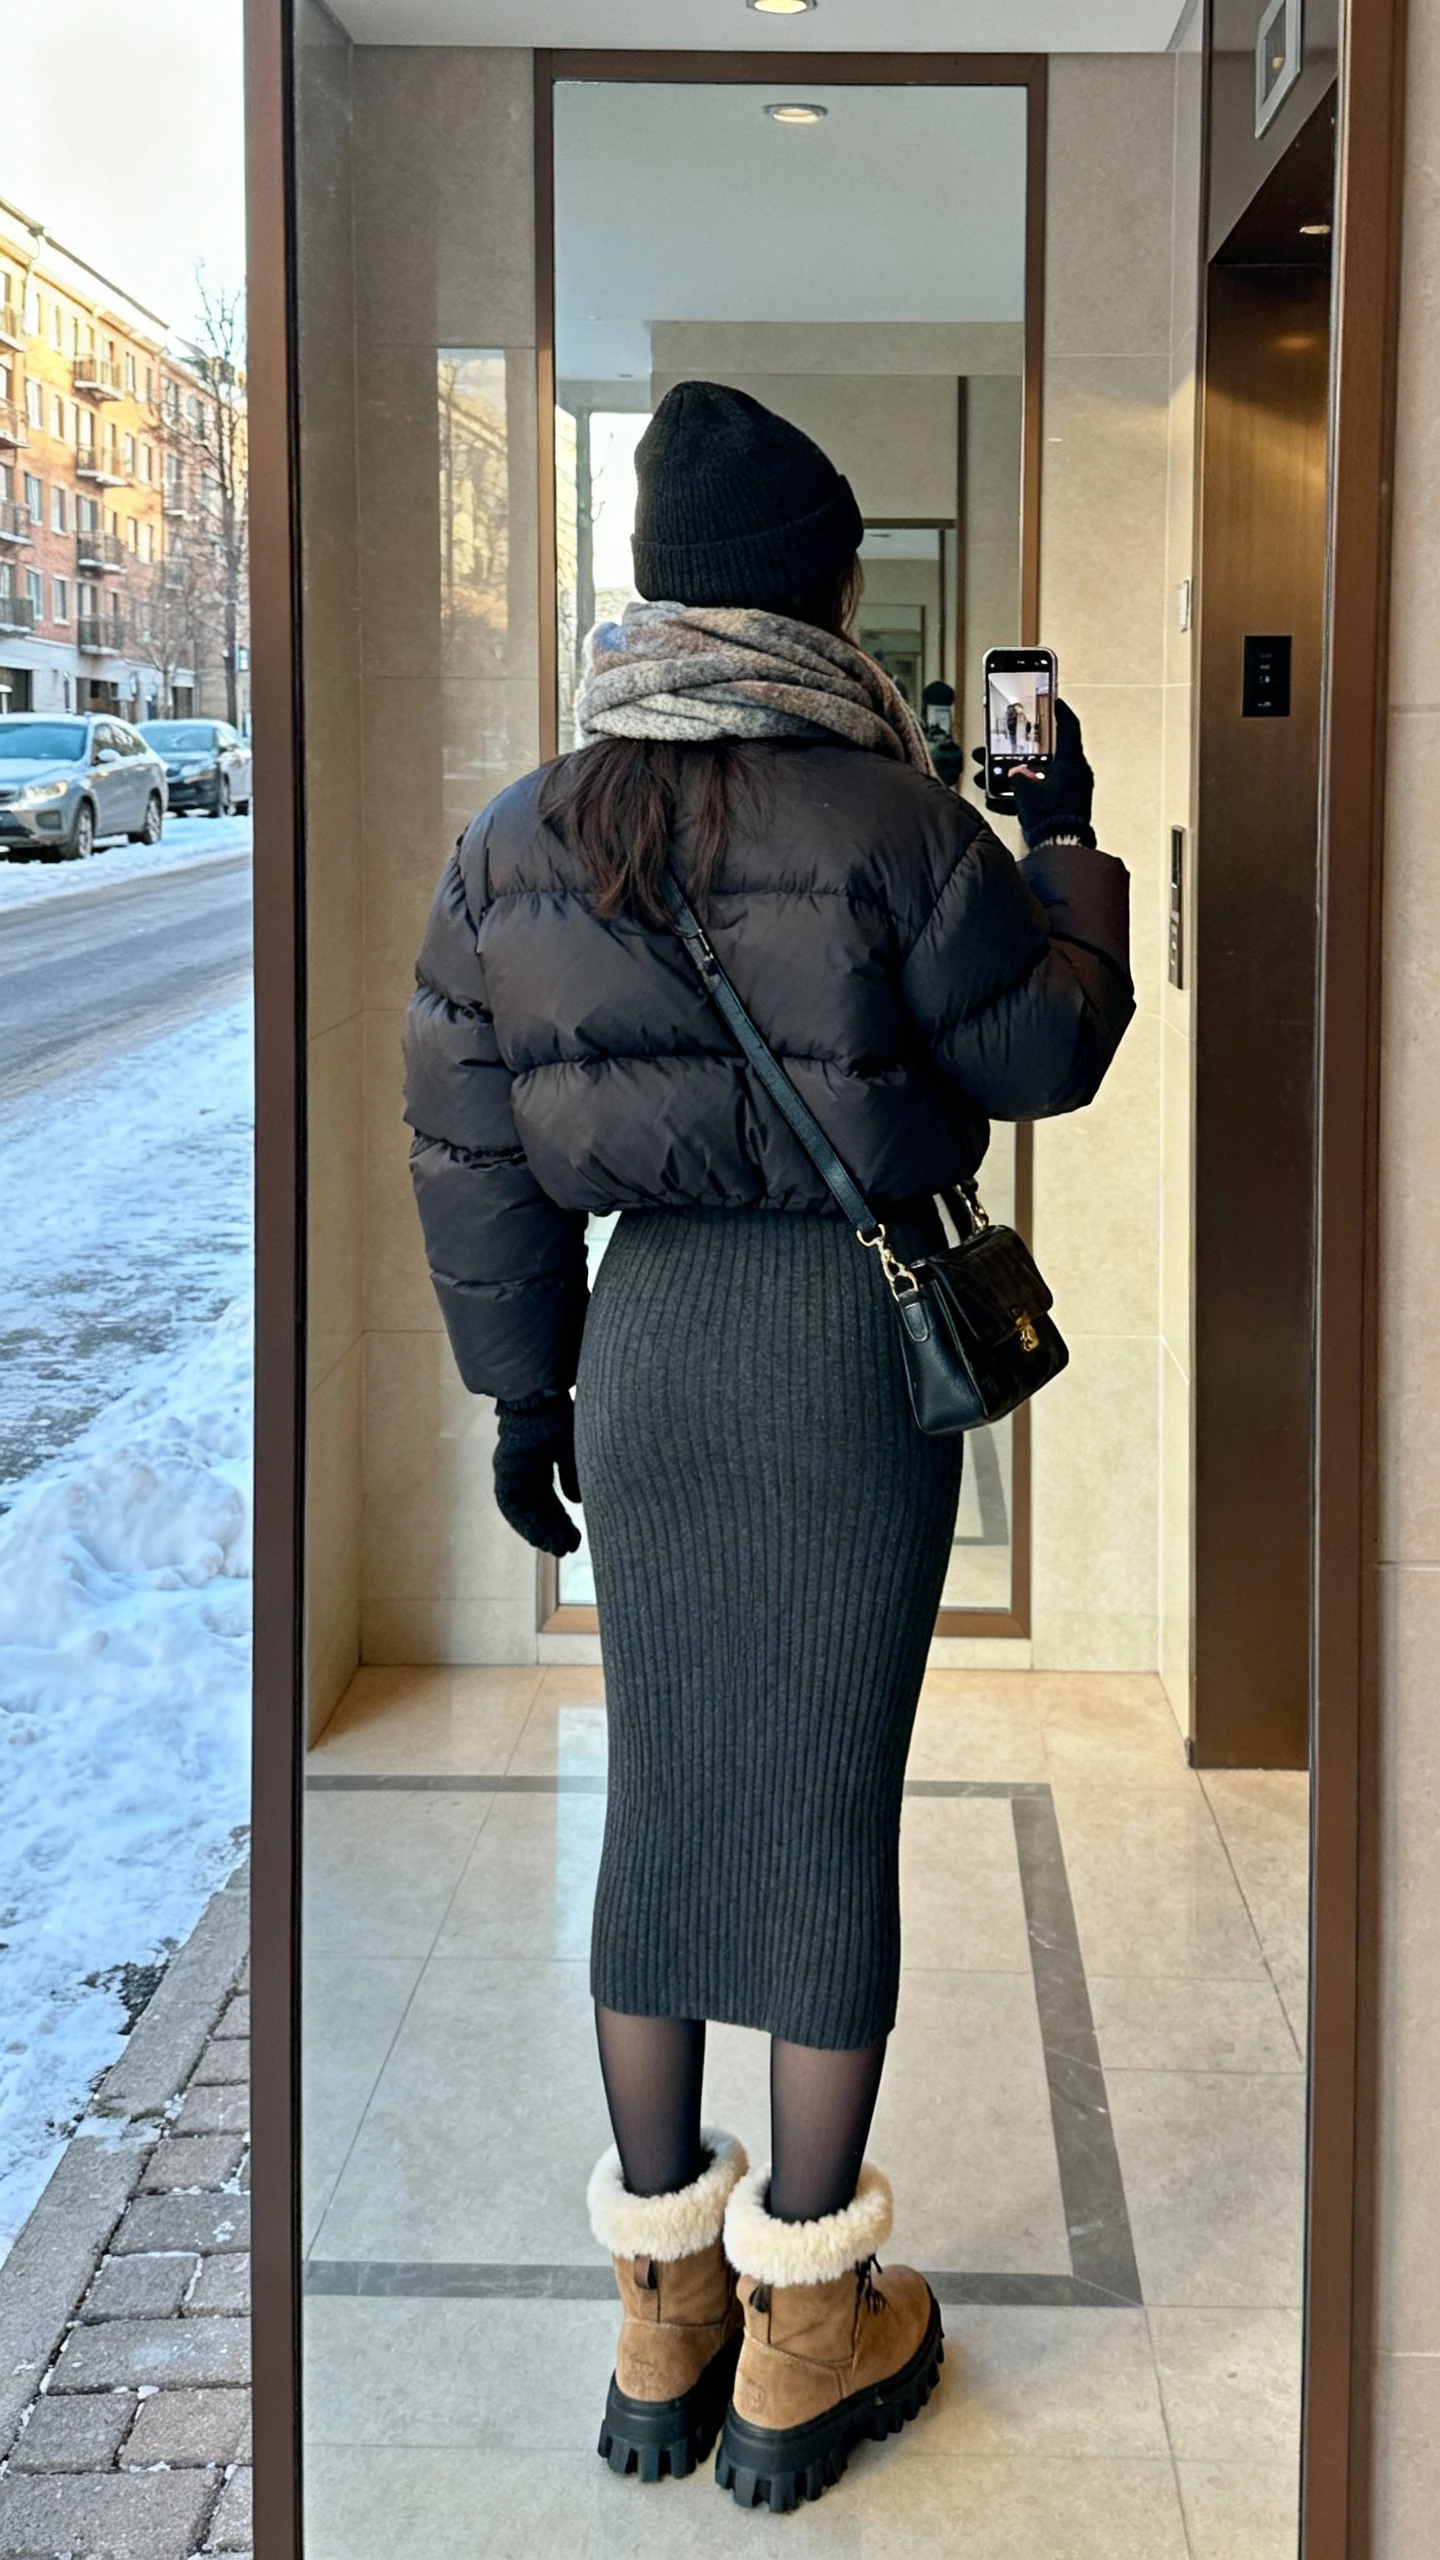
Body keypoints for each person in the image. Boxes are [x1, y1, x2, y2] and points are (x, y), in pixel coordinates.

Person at [404, 382, 1133, 2511]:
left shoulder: (522, 835)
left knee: (667, 1793)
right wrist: (1062, 829)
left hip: (644, 1340)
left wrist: (526, 1388)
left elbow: (470, 1146)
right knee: (821, 1799)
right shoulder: (902, 818)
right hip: (837, 1346)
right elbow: (1049, 1044)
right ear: (820, 589)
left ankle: (663, 2308)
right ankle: (810, 2328)